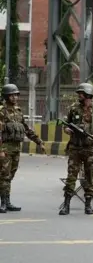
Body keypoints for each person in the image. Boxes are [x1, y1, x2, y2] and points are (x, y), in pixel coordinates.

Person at [59, 83, 93, 216]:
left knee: (90, 177)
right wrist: (67, 130)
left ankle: (88, 205)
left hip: (91, 149)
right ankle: (66, 205)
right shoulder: (73, 109)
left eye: (81, 93)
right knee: (71, 177)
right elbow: (66, 124)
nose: (78, 95)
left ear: (88, 95)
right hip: (75, 148)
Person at [0, 84, 45, 213]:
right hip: (5, 147)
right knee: (4, 175)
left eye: (16, 95)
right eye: (12, 95)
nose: (15, 97)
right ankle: (3, 202)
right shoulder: (2, 112)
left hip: (16, 148)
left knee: (10, 175)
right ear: (6, 96)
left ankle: (7, 201)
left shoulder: (18, 111)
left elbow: (26, 129)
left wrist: (38, 141)